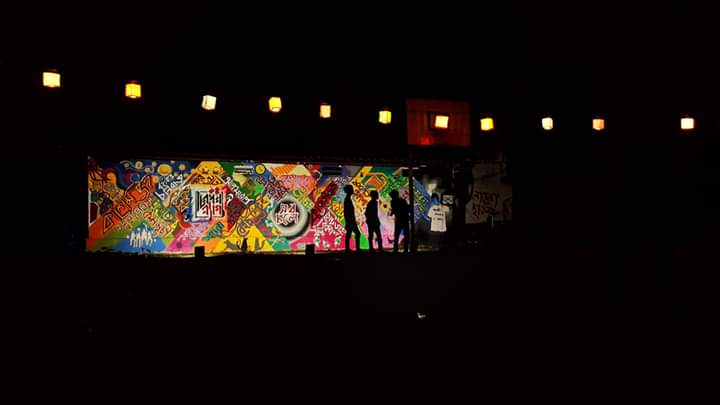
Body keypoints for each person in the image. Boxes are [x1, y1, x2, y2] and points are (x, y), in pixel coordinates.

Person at [343, 184, 361, 252]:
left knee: (350, 234)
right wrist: (349, 221)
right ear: (349, 190)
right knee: (356, 233)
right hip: (350, 220)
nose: (353, 190)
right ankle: (355, 249)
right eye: (351, 189)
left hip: (350, 220)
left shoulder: (348, 199)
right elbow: (347, 212)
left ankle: (348, 249)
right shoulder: (347, 200)